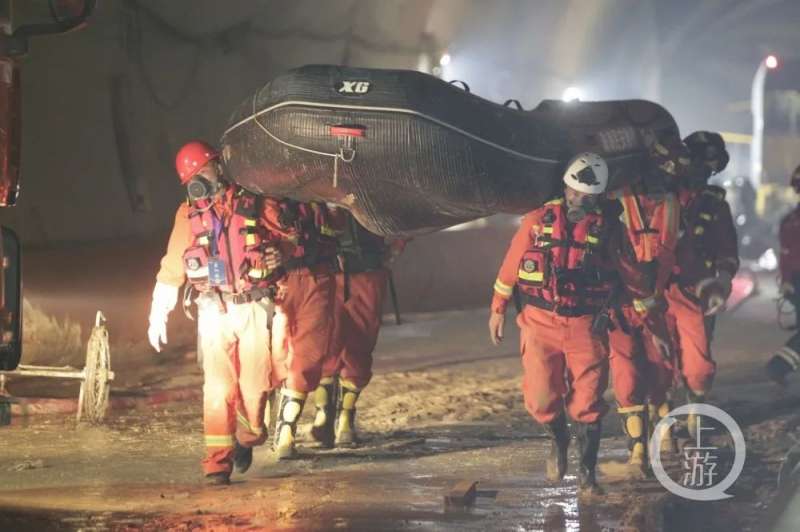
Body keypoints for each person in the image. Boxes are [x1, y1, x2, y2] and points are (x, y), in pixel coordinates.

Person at [488, 152, 670, 495]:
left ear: (598, 198)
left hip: (587, 325)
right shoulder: (537, 221)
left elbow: (634, 281)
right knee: (541, 400)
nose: (579, 201)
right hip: (539, 322)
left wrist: (654, 326)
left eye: (587, 197)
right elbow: (511, 266)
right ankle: (558, 440)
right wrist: (498, 307)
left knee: (587, 402)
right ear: (564, 188)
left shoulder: (609, 230)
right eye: (574, 193)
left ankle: (588, 475)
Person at [147, 141, 281, 485]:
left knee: (255, 388)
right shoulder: (188, 214)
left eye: (202, 171)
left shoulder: (254, 202)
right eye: (192, 177)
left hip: (251, 305)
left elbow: (287, 237)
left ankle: (248, 437)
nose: (199, 180)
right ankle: (216, 465)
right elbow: (173, 263)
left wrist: (279, 255)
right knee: (217, 389)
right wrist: (159, 307)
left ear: (218, 167)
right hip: (213, 310)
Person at [607, 137, 685, 458]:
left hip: (656, 303)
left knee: (660, 369)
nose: (665, 173)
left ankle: (662, 418)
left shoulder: (671, 204)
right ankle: (637, 446)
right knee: (627, 373)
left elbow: (669, 256)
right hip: (623, 305)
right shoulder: (618, 202)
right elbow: (615, 254)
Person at [309, 210, 406, 448]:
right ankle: (328, 412)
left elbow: (402, 217)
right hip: (329, 272)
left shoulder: (371, 186)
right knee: (325, 344)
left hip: (366, 271)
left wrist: (396, 245)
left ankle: (344, 417)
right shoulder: (313, 183)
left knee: (359, 346)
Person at [668, 131, 738, 433]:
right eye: (700, 164)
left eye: (710, 168)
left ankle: (695, 408)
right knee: (659, 356)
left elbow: (726, 249)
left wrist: (721, 283)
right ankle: (663, 414)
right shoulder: (661, 195)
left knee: (697, 359)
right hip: (658, 289)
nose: (703, 172)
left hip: (698, 291)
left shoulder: (714, 204)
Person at [266, 200, 338, 459]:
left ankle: (286, 432)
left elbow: (335, 230)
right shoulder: (263, 196)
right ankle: (263, 427)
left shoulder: (319, 197)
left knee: (307, 355)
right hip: (276, 281)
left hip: (315, 277)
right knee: (275, 359)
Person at [766, 165, 800, 385]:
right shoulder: (791, 221)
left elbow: (786, 255)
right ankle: (779, 365)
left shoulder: (790, 220)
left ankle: (779, 366)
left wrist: (787, 281)